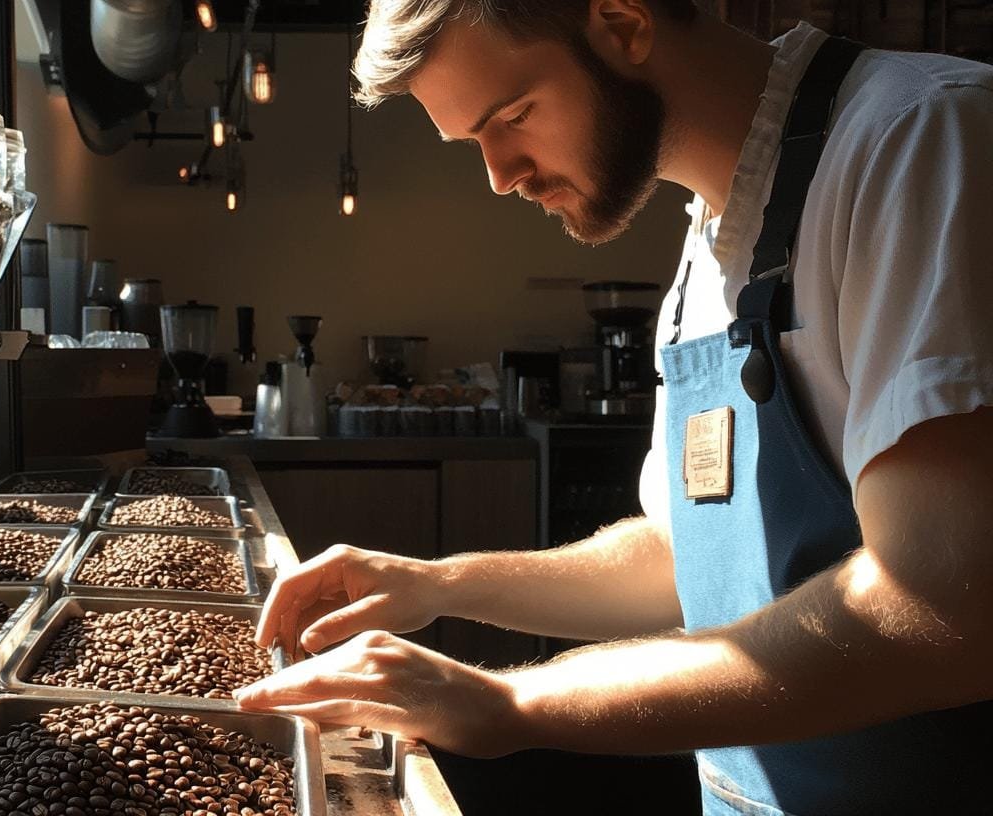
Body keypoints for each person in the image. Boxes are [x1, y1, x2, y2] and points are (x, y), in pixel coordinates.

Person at [233, 1, 993, 813]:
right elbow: (687, 555)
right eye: (474, 143)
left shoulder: (921, 137)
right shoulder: (712, 240)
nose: (501, 175)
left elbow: (944, 608)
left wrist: (508, 705)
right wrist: (441, 583)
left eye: (514, 115)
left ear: (623, 22)